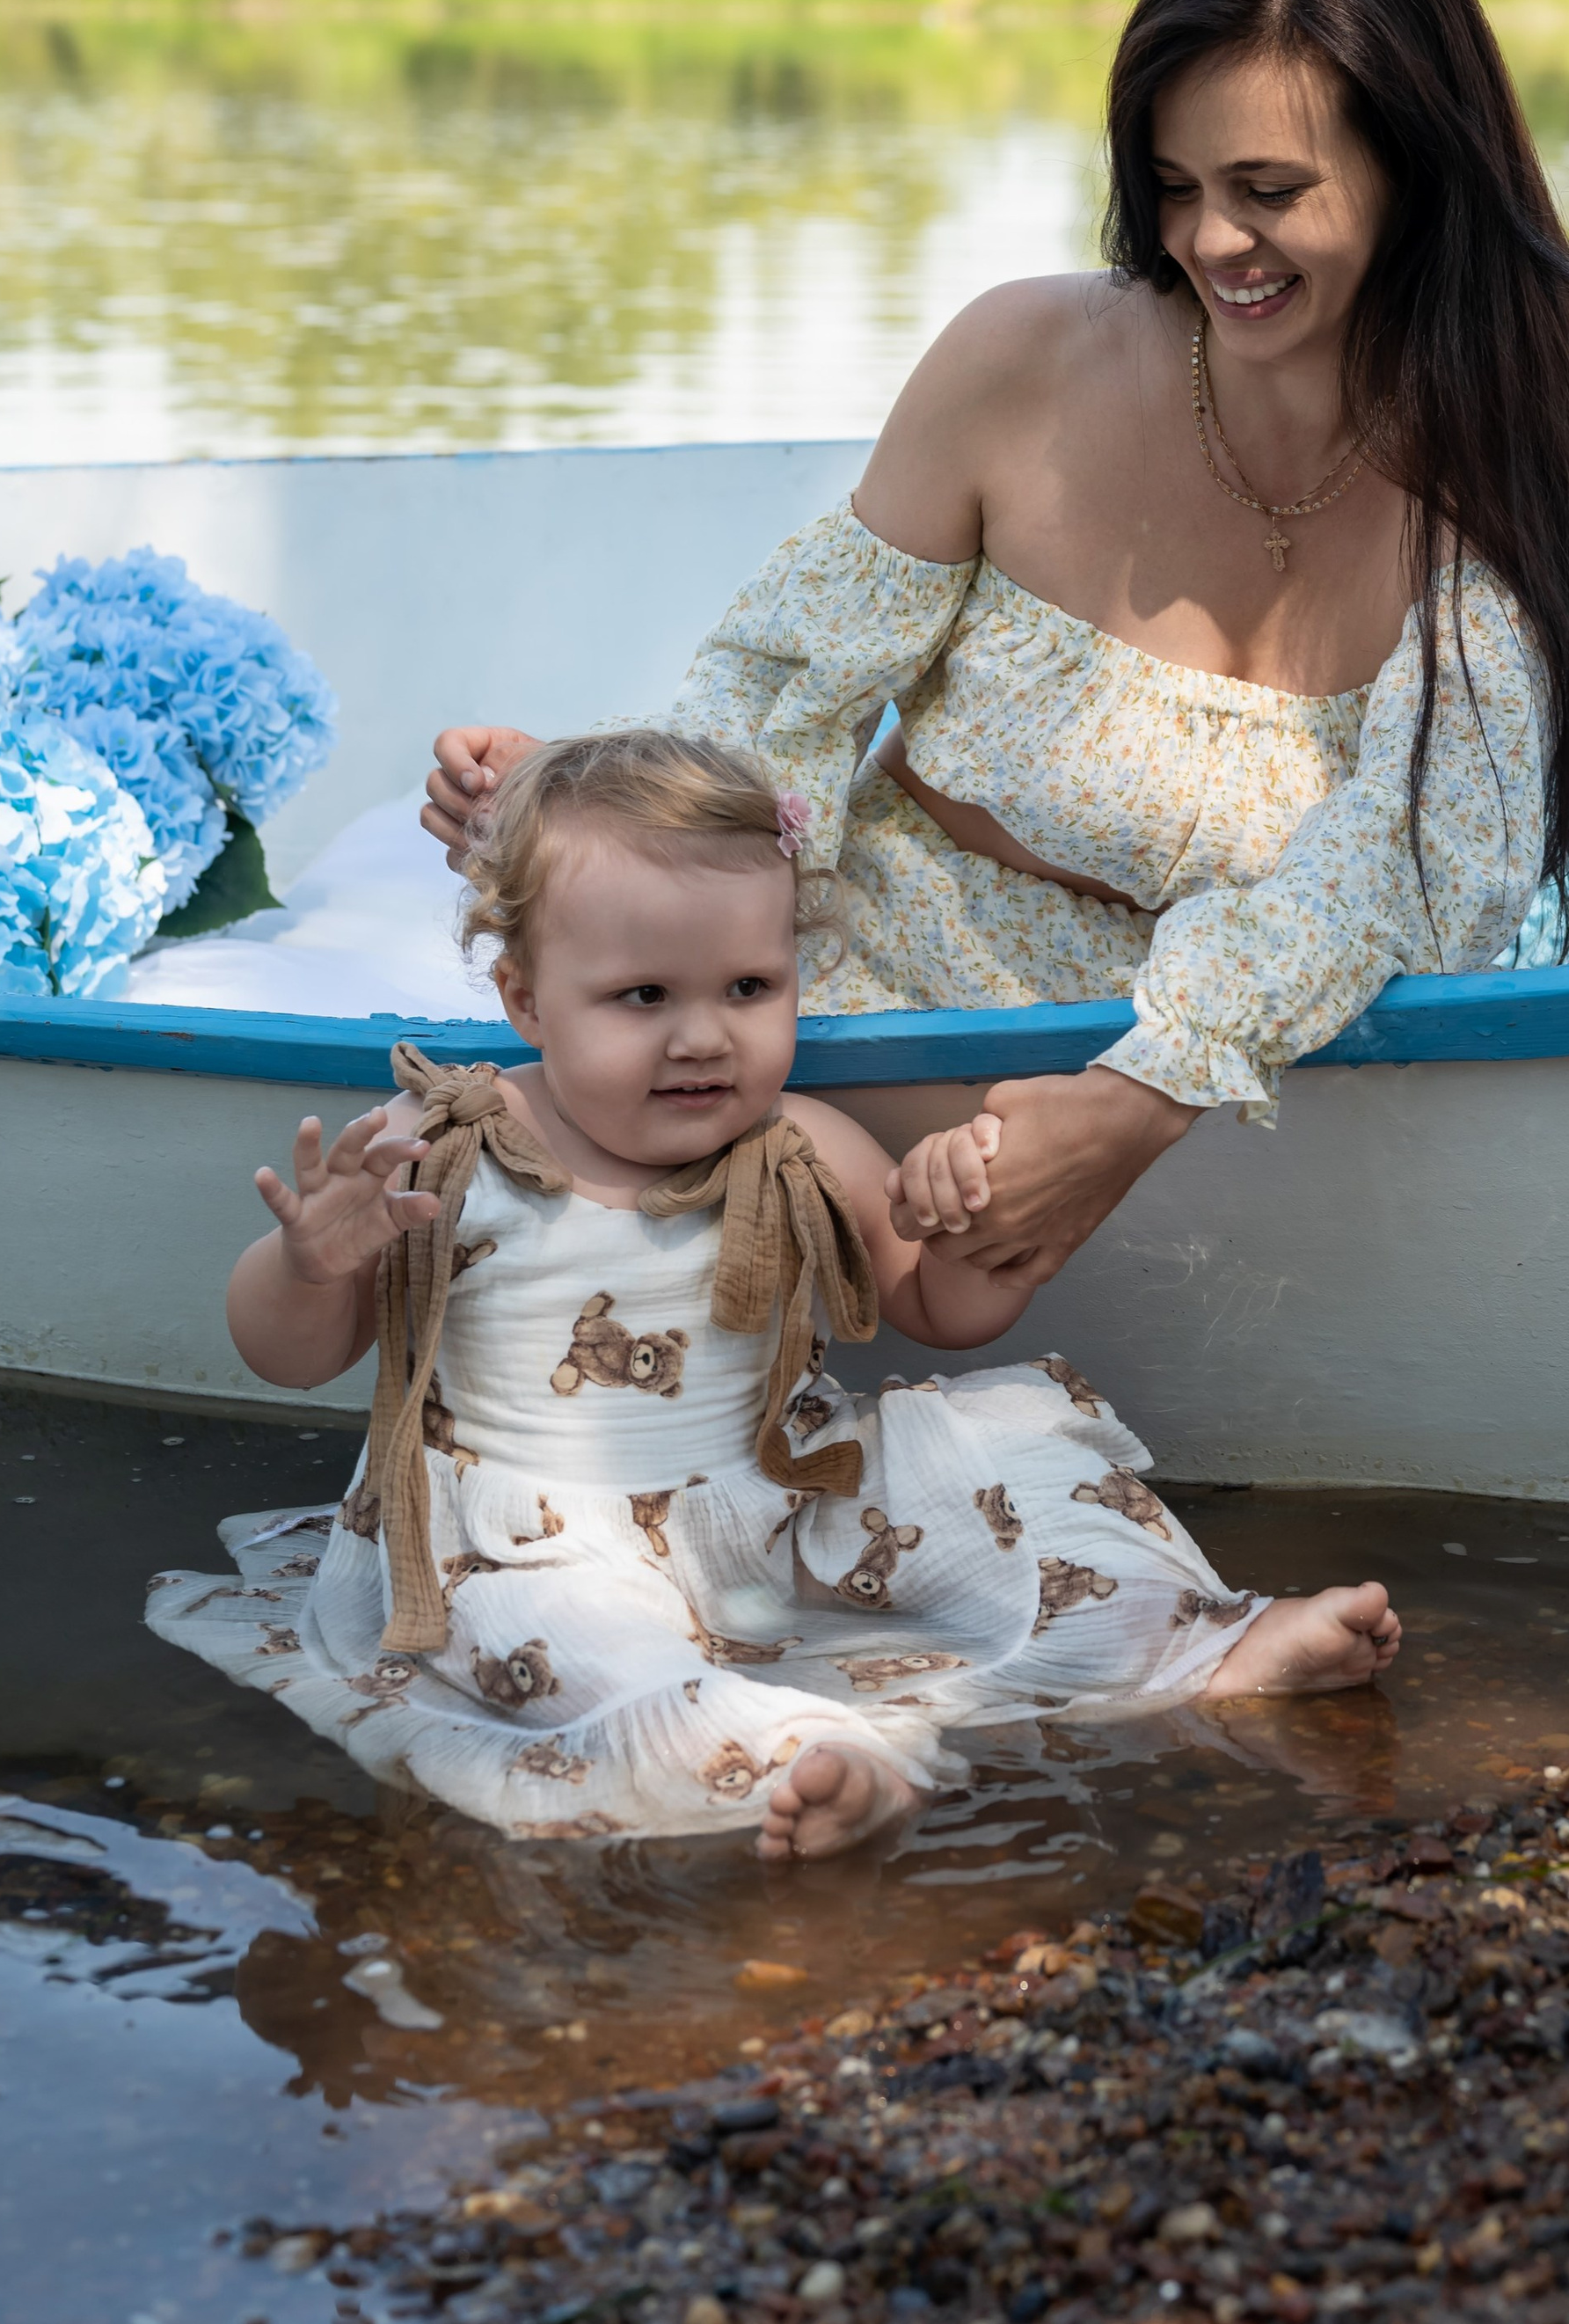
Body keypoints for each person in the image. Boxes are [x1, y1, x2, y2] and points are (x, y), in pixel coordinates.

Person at [424, 0, 1569, 1290]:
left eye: (1270, 190)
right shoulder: (1025, 357)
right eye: (1177, 186)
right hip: (891, 984)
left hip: (1257, 1035)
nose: (1210, 243)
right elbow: (791, 696)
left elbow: (1412, 874)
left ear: (1415, 171)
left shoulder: (1507, 459)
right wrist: (610, 819)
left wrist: (1139, 1099)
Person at [149, 733, 1399, 1855]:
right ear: (526, 998)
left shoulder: (797, 1140)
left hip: (770, 1497)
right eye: (644, 997)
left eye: (749, 989)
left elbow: (945, 1313)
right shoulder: (449, 1140)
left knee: (1019, 1470)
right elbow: (288, 1355)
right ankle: (801, 1757)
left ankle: (1208, 1643)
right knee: (586, 1652)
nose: (705, 1036)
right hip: (534, 1533)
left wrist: (962, 1218)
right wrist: (316, 1261)